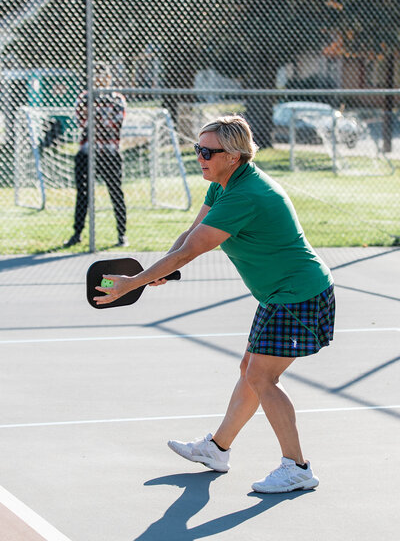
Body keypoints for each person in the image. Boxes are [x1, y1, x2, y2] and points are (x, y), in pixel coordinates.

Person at [93, 115, 335, 493]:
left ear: (235, 155)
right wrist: (163, 271)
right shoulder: (222, 185)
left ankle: (298, 467)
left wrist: (132, 284)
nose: (200, 157)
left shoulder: (246, 195)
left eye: (208, 151)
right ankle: (217, 449)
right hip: (280, 293)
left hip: (298, 293)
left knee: (262, 377)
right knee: (250, 369)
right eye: (197, 149)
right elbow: (191, 235)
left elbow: (191, 251)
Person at [64, 62, 128, 248]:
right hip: (87, 152)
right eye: (95, 76)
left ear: (108, 78)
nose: (98, 80)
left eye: (102, 76)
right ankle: (77, 233)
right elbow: (83, 122)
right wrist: (98, 121)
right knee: (82, 193)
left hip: (110, 153)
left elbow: (115, 123)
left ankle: (121, 234)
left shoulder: (117, 99)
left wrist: (96, 120)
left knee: (116, 192)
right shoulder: (85, 97)